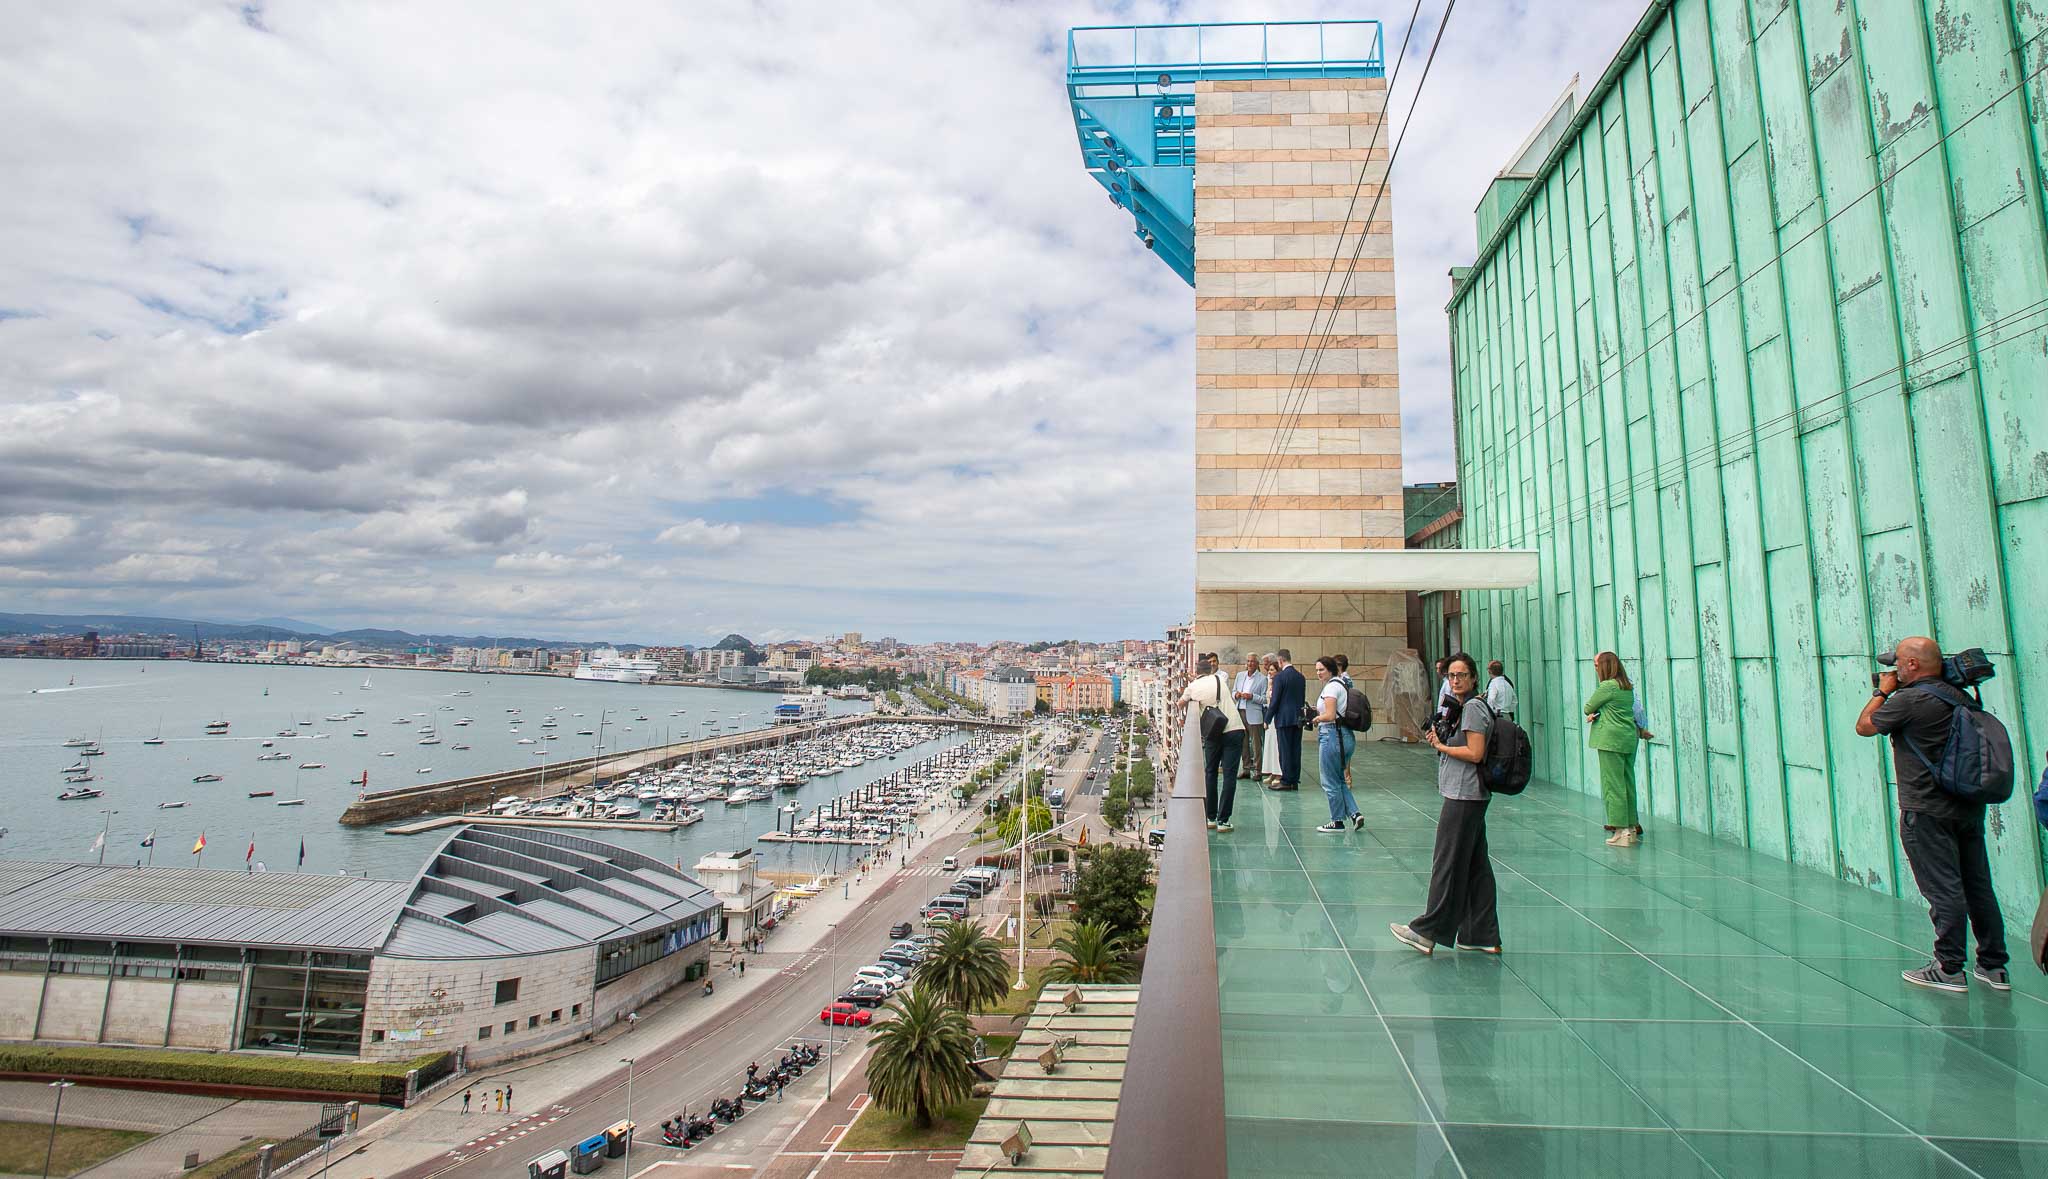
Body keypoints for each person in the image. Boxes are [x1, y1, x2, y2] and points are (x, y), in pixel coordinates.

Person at [1856, 635, 2009, 993]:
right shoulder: (1960, 697)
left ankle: (1949, 968)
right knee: (1978, 887)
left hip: (1925, 811)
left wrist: (1882, 692)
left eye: (1897, 663)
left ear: (1912, 665)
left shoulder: (1909, 701)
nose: (1892, 669)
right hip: (1966, 809)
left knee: (1944, 891)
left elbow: (1865, 726)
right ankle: (1994, 966)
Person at [1391, 653, 1499, 956]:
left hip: (1464, 795)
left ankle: (1427, 932)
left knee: (1447, 863)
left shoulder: (1474, 709)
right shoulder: (1467, 707)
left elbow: (1476, 753)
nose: (1455, 680)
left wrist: (1441, 747)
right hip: (1467, 794)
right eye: (1451, 676)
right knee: (1476, 866)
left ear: (1474, 677)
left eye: (1462, 675)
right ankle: (1481, 934)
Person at [1179, 654, 1245, 831]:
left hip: (1213, 733)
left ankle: (1211, 817)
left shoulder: (1192, 687)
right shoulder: (1219, 680)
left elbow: (1180, 703)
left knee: (1211, 773)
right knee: (1230, 776)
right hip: (1234, 728)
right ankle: (1224, 820)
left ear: (1196, 672)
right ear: (1210, 670)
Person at [1584, 652, 1642, 847]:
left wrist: (1593, 714)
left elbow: (1588, 707)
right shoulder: (1627, 686)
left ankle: (1620, 829)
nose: (1595, 669)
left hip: (1610, 740)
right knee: (1628, 782)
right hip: (1628, 737)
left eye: (1596, 665)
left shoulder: (1607, 686)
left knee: (1613, 784)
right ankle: (1632, 826)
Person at [1312, 656, 1363, 833]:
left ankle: (1337, 821)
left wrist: (1316, 718)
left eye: (1321, 670)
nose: (1318, 673)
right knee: (1340, 779)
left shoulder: (1331, 688)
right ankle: (1355, 813)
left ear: (1331, 669)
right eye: (1317, 670)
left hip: (1332, 735)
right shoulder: (1341, 684)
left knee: (1329, 781)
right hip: (1344, 736)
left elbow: (1330, 715)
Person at [1269, 650, 1307, 792]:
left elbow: (1275, 701)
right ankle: (1294, 779)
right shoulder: (1300, 677)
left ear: (1280, 660)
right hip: (1297, 718)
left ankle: (1286, 780)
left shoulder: (1279, 677)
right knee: (1295, 750)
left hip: (1284, 719)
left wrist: (1267, 718)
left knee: (1284, 750)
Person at [1233, 653, 1268, 782]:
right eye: (1248, 661)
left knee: (1256, 743)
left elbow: (1265, 699)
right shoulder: (1240, 676)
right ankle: (1246, 768)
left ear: (1257, 663)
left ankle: (1258, 770)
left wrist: (1252, 696)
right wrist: (1236, 695)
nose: (1249, 664)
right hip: (1240, 710)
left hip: (1254, 713)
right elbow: (1233, 691)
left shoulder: (1262, 679)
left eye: (1252, 661)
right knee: (1243, 742)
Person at [1333, 653, 1358, 787]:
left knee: (1343, 748)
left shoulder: (1344, 679)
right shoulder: (1341, 678)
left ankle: (1346, 777)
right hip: (1342, 716)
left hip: (1343, 717)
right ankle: (1345, 776)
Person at [1259, 655, 1283, 786]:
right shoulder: (1270, 683)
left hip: (1275, 718)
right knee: (1269, 745)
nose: (1270, 672)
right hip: (1269, 716)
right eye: (1269, 670)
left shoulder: (1280, 685)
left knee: (1276, 746)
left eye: (1273, 670)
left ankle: (1279, 773)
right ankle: (1272, 771)